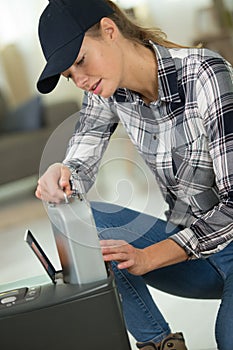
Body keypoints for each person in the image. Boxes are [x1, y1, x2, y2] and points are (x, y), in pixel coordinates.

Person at [35, 0, 233, 349]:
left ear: (109, 31)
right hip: (198, 257)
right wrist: (61, 173)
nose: (80, 80)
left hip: (221, 241)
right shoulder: (105, 90)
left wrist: (150, 256)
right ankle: (161, 344)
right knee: (87, 222)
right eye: (70, 75)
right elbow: (80, 161)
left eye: (81, 61)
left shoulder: (206, 74)